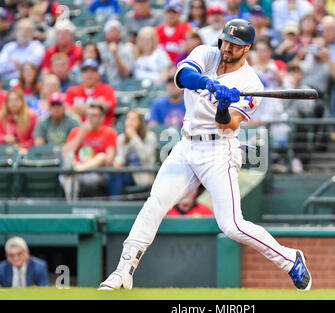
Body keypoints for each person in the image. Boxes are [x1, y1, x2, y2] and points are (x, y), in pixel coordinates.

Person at [99, 19, 311, 291]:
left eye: (235, 45)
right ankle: (123, 271)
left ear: (246, 47)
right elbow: (183, 76)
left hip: (218, 150)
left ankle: (289, 259)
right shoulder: (206, 53)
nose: (227, 48)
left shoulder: (250, 83)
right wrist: (210, 85)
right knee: (155, 203)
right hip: (186, 144)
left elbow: (228, 124)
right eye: (225, 41)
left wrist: (223, 105)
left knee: (232, 225)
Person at [61, 103, 117, 201]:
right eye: (88, 115)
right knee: (69, 170)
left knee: (101, 156)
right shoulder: (76, 131)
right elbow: (65, 153)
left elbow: (109, 159)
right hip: (75, 168)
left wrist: (89, 162)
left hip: (95, 171)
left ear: (101, 118)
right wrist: (81, 133)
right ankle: (71, 207)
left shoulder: (109, 132)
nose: (90, 118)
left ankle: (77, 169)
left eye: (94, 116)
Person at [106, 110, 157, 198]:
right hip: (127, 173)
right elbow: (120, 158)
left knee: (116, 178)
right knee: (113, 175)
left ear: (140, 123)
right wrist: (117, 163)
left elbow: (145, 157)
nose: (129, 122)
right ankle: (114, 203)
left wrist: (134, 137)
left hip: (143, 174)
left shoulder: (150, 136)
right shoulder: (122, 138)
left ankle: (114, 202)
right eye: (128, 119)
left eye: (133, 120)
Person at [65, 58, 117, 126]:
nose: (89, 74)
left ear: (98, 74)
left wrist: (77, 109)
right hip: (77, 130)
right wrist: (96, 106)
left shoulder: (107, 89)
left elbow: (105, 108)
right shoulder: (72, 91)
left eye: (93, 70)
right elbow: (67, 112)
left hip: (102, 131)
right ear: (81, 74)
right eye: (86, 71)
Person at [0, 18, 45, 82]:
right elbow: (0, 65)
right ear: (16, 32)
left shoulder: (37, 46)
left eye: (27, 30)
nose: (24, 32)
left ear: (32, 33)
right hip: (5, 81)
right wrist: (17, 66)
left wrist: (13, 65)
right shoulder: (9, 46)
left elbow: (31, 66)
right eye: (21, 29)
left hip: (25, 82)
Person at [97, 20, 135, 88]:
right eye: (111, 31)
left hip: (122, 85)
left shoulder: (127, 49)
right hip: (101, 85)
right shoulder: (98, 48)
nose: (114, 34)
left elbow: (127, 73)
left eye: (117, 31)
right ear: (105, 34)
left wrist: (115, 54)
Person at [0, 89, 38, 154]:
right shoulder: (2, 117)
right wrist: (4, 138)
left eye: (16, 99)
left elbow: (35, 138)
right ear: (6, 103)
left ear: (22, 101)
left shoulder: (32, 116)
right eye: (10, 100)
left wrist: (22, 146)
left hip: (27, 151)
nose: (13, 103)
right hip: (5, 152)